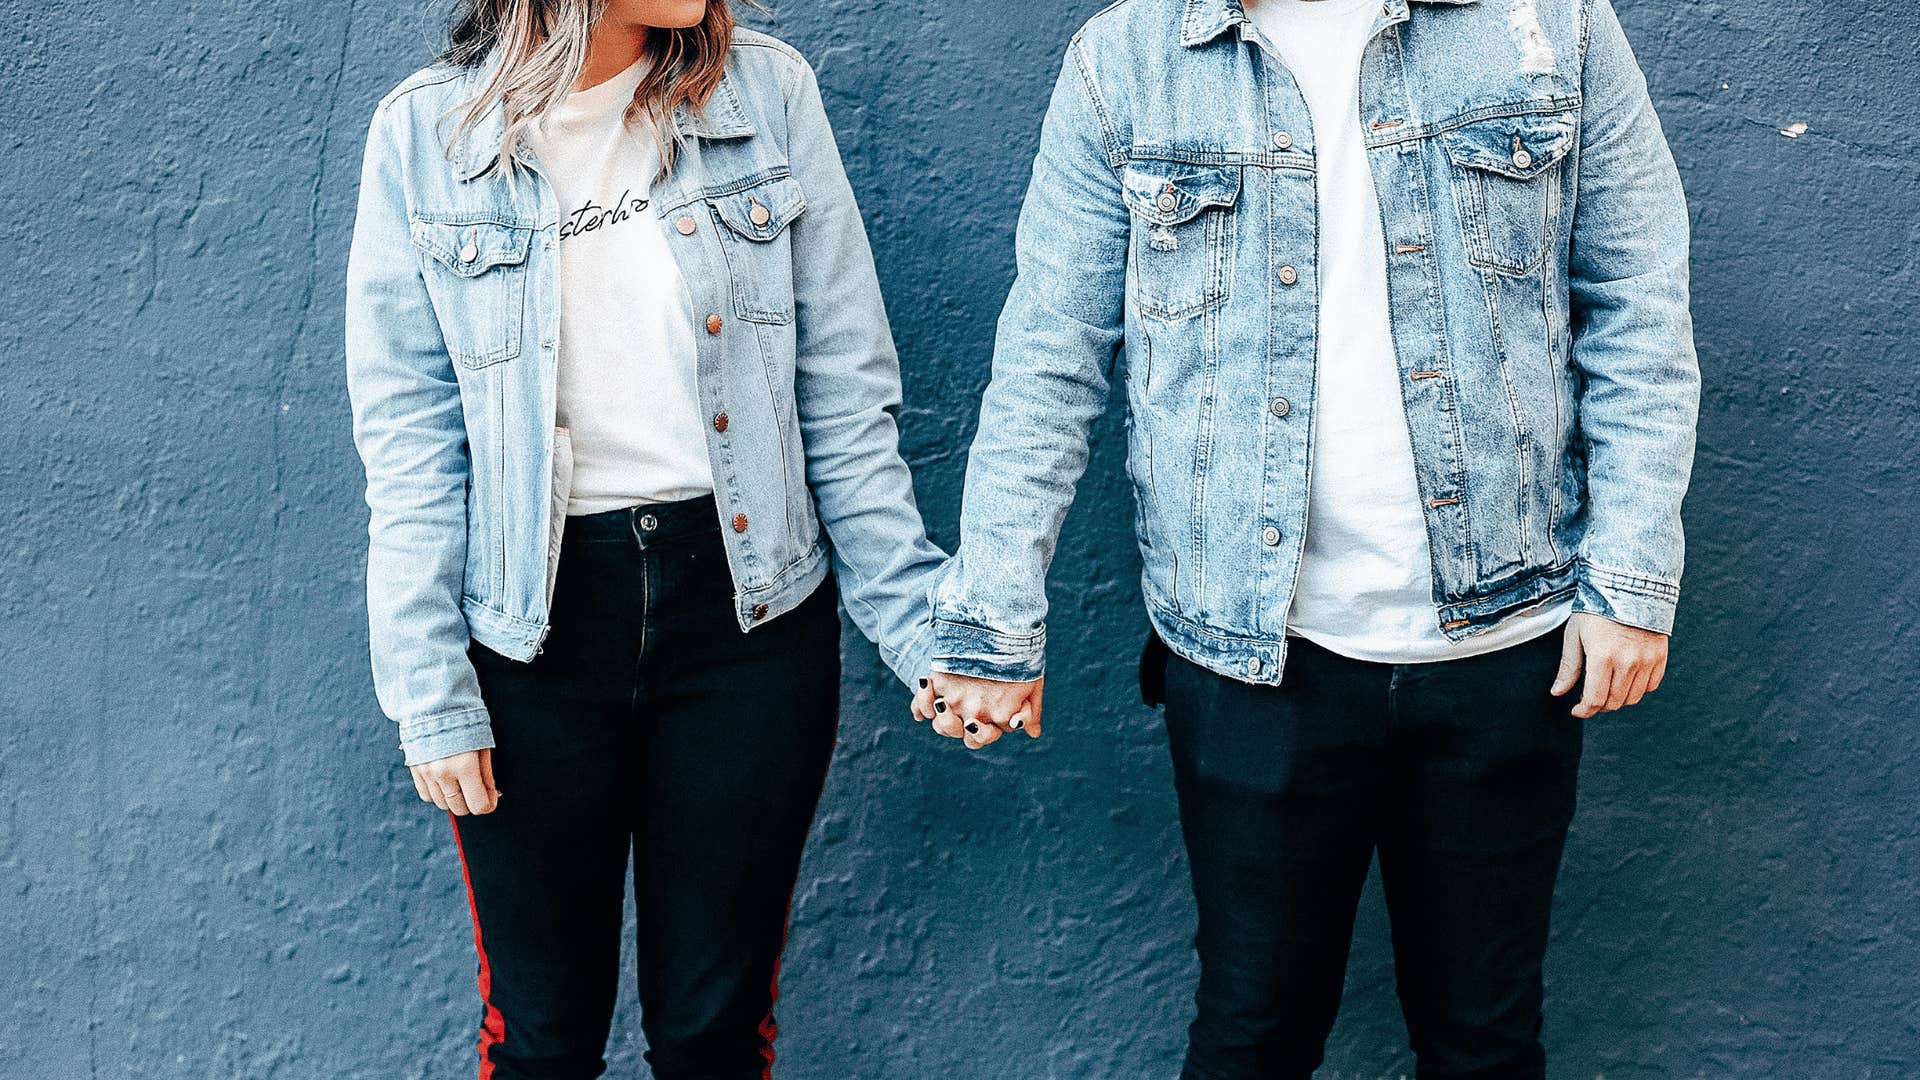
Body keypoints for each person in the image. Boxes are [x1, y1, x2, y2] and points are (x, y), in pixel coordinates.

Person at [915, 0, 1699, 1074]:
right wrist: (993, 622)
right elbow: (1051, 353)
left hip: (1507, 648)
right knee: (1253, 1034)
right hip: (1250, 658)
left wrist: (1631, 582)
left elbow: (1639, 302)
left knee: (1486, 1040)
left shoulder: (1547, 25)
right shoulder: (1132, 57)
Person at [343, 2, 944, 1076]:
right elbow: (411, 446)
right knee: (540, 1039)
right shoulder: (426, 137)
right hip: (533, 639)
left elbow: (845, 400)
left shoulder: (765, 95)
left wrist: (922, 634)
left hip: (748, 622)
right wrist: (428, 692)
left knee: (716, 1037)